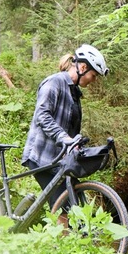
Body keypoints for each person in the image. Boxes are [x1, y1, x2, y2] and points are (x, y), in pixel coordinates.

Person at [21, 44, 109, 227]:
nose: (93, 80)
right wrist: (64, 138)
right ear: (83, 67)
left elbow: (70, 128)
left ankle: (77, 245)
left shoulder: (74, 92)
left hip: (59, 159)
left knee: (77, 201)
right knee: (63, 205)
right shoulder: (55, 82)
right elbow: (42, 116)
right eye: (93, 75)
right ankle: (60, 249)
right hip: (42, 157)